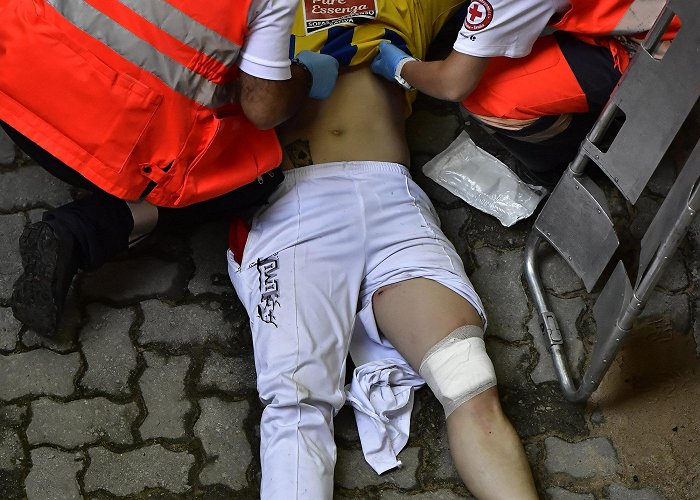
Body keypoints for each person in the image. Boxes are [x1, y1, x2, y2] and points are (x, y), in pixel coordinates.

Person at [226, 1, 538, 498]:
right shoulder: (255, 6)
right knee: (296, 403)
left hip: (394, 199)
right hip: (293, 200)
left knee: (470, 383)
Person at [0, 0, 338, 336]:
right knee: (257, 174)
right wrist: (304, 77)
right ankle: (84, 229)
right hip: (103, 151)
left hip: (15, 91)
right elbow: (262, 107)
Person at [371, 0, 679, 186]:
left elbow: (453, 83)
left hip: (668, 53)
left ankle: (571, 164)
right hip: (670, 16)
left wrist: (402, 67)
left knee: (485, 95)